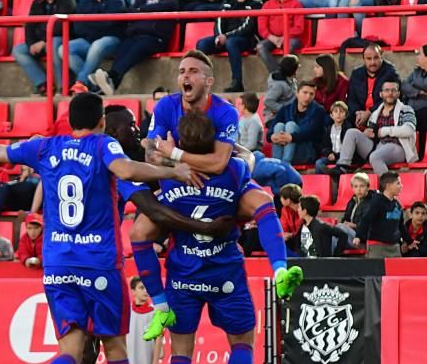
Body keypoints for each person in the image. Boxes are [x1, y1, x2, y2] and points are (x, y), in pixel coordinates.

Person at [0, 92, 199, 364]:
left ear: (70, 120)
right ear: (101, 121)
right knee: (114, 350)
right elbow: (128, 171)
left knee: (71, 346)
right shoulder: (103, 146)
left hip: (57, 264)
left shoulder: (46, 147)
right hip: (99, 264)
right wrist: (172, 170)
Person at [130, 51, 304, 342]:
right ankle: (160, 305)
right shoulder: (166, 107)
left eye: (193, 71)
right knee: (138, 232)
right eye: (182, 71)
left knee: (261, 201)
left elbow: (220, 162)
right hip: (180, 180)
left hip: (217, 179)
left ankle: (280, 272)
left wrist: (173, 154)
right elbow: (150, 154)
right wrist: (177, 167)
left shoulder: (224, 111)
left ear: (209, 81)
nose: (185, 76)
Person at [151, 112, 276, 364]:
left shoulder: (167, 178)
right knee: (243, 343)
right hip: (225, 272)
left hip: (183, 274)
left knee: (181, 352)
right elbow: (250, 175)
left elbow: (146, 228)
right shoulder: (234, 171)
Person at [90, 0, 176, 95]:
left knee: (139, 47)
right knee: (124, 46)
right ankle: (112, 81)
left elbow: (162, 7)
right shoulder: (140, 1)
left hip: (156, 38)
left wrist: (140, 10)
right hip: (137, 35)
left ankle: (111, 76)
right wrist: (140, 10)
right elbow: (130, 12)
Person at [60, 0, 126, 87]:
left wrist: (90, 23)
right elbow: (78, 26)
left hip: (112, 41)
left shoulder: (116, 0)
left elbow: (109, 24)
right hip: (88, 41)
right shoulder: (86, 0)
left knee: (98, 45)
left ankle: (81, 82)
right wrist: (97, 23)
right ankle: (93, 85)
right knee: (63, 49)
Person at [13, 0, 76, 95]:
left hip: (63, 39)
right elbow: (29, 25)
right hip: (41, 41)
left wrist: (43, 42)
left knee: (53, 43)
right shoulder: (38, 2)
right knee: (18, 50)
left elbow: (60, 27)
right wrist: (31, 43)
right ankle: (43, 84)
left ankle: (63, 86)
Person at [198, 0, 262, 94]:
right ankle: (202, 81)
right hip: (225, 38)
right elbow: (219, 20)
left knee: (232, 43)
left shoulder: (256, 3)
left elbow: (248, 27)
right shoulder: (228, 0)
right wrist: (219, 36)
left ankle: (237, 82)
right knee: (202, 44)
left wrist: (226, 37)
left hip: (246, 39)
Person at [338, 80, 417, 174]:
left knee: (375, 157)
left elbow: (409, 130)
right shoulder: (376, 113)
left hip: (398, 147)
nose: (390, 93)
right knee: (351, 132)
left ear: (398, 93)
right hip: (378, 146)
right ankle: (342, 168)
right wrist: (367, 133)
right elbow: (373, 134)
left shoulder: (406, 109)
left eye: (393, 90)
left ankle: (387, 186)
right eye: (387, 90)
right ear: (381, 94)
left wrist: (383, 131)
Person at [267, 80, 328, 165]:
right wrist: (272, 136)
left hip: (307, 151)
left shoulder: (318, 111)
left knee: (290, 125)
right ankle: (277, 163)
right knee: (278, 126)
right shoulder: (286, 109)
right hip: (286, 147)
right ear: (297, 93)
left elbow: (309, 132)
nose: (308, 97)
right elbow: (270, 131)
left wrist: (291, 137)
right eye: (305, 93)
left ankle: (285, 164)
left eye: (311, 94)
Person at [256, 0, 303, 74]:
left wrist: (284, 37)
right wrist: (272, 37)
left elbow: (299, 27)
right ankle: (278, 73)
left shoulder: (296, 4)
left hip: (291, 38)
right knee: (260, 47)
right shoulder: (267, 5)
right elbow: (262, 27)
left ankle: (283, 73)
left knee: (290, 45)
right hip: (272, 38)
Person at [347, 43, 401, 128]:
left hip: (381, 114)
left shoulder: (390, 72)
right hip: (359, 115)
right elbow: (351, 99)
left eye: (376, 58)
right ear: (363, 59)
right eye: (369, 59)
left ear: (381, 57)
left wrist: (369, 112)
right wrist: (357, 113)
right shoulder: (356, 74)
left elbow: (391, 98)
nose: (372, 62)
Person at [354, 170, 404, 257]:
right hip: (377, 247)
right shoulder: (377, 202)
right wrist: (358, 236)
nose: (401, 186)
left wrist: (410, 241)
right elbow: (366, 220)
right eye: (398, 183)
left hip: (394, 247)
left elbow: (401, 226)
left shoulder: (398, 205)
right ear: (388, 186)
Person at [316, 100, 354, 175]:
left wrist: (336, 155)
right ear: (331, 115)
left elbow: (348, 148)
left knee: (339, 164)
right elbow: (324, 146)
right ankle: (323, 183)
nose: (338, 114)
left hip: (342, 157)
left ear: (346, 115)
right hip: (332, 155)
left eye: (341, 112)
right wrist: (329, 153)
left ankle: (337, 179)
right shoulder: (329, 129)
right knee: (319, 163)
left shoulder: (348, 128)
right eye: (335, 111)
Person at [339, 171, 372, 245]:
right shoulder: (352, 201)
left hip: (361, 237)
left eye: (362, 186)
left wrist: (354, 225)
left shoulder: (372, 202)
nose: (359, 189)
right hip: (350, 232)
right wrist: (345, 223)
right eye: (356, 186)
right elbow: (345, 218)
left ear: (368, 187)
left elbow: (370, 225)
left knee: (339, 229)